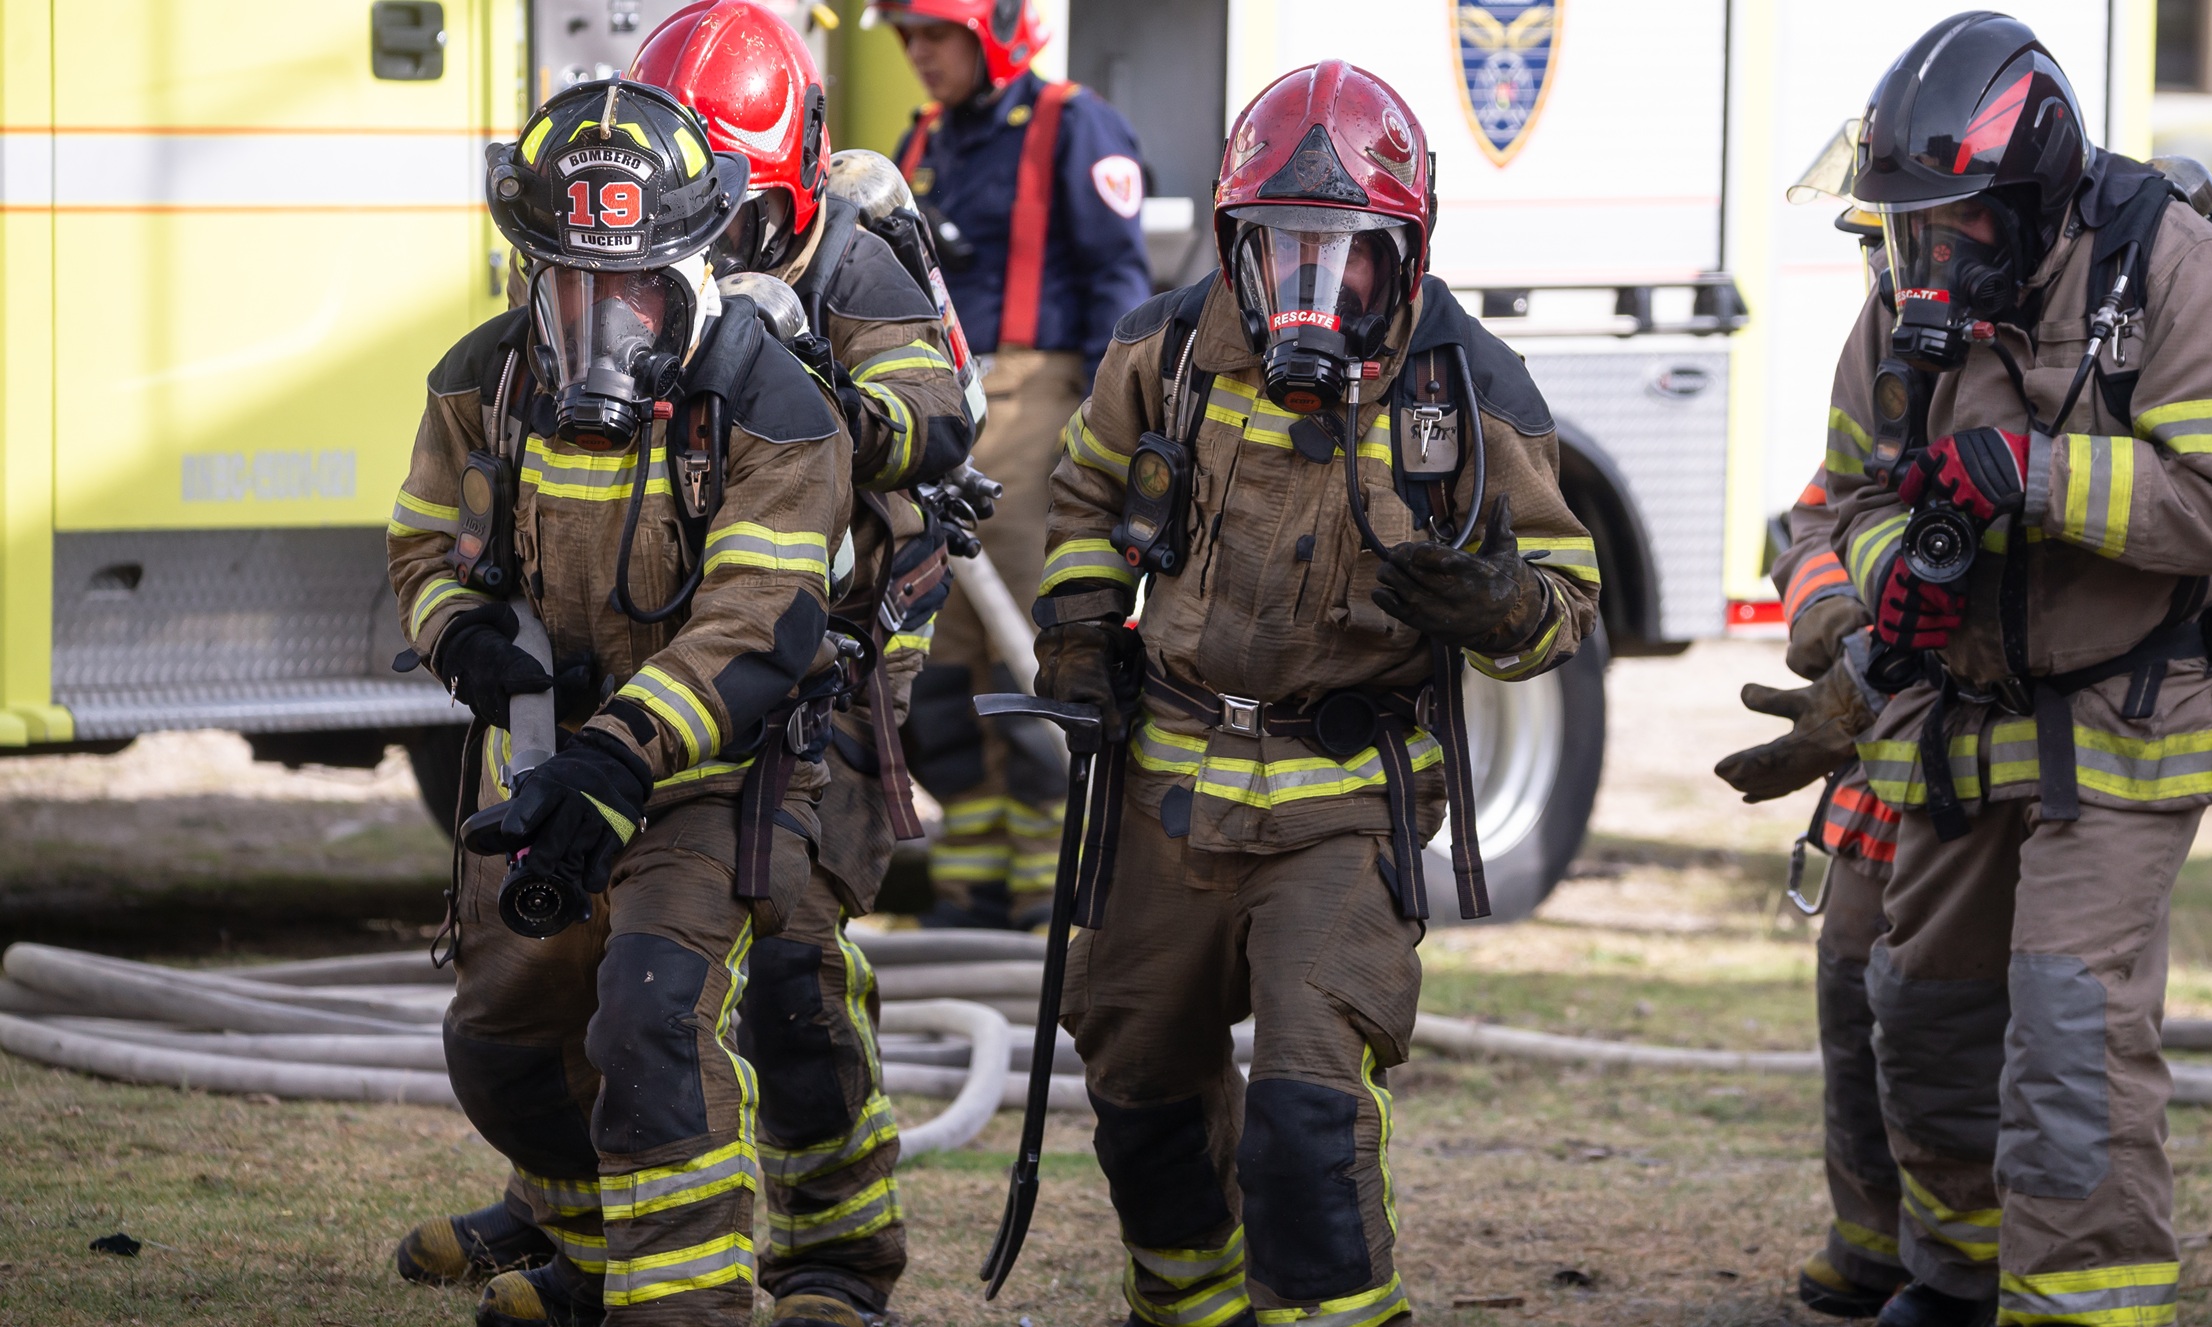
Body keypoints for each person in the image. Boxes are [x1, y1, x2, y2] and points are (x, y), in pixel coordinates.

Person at [390, 10, 973, 1327]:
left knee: (788, 970)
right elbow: (456, 503)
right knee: (559, 975)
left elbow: (936, 416)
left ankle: (833, 1257)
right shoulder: (601, 274)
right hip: (630, 680)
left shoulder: (853, 265)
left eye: (730, 213)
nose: (685, 245)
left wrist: (797, 374)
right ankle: (579, 1220)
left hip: (816, 664)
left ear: (790, 181)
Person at [1033, 61, 1601, 1327]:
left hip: (1344, 811)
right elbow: (1082, 494)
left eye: (1344, 252)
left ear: (1402, 255)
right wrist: (1078, 626)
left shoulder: (1471, 393)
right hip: (1165, 790)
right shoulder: (1167, 350)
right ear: (1234, 240)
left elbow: (1563, 609)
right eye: (1279, 245)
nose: (1309, 282)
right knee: (1138, 1105)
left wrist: (1499, 604)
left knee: (1303, 1121)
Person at [1818, 14, 2212, 1325]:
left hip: (2141, 703)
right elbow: (1847, 498)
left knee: (2064, 1022)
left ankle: (2081, 1300)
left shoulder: (2180, 275)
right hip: (1969, 707)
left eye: (1955, 223)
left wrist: (2028, 478)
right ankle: (1961, 1272)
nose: (1926, 256)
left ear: (2029, 197)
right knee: (1921, 1011)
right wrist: (1890, 574)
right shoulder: (1903, 304)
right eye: (1908, 227)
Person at [867, 0, 1154, 929]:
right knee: (938, 655)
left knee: (1038, 639)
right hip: (938, 411)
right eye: (907, 38)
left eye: (935, 37)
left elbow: (1120, 280)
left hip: (1035, 403)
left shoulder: (1077, 127)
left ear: (992, 31)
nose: (918, 56)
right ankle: (972, 879)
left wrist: (1113, 424)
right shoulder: (917, 142)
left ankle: (1051, 885)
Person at [1714, 166, 1913, 1321]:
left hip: (1994, 746)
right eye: (1877, 247)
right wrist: (1835, 629)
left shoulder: (2029, 356)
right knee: (1850, 975)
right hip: (1879, 746)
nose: (1889, 271)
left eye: (1898, 244)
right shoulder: (1890, 354)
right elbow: (1811, 519)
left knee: (1941, 1009)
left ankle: (1961, 1250)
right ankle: (1871, 1239)